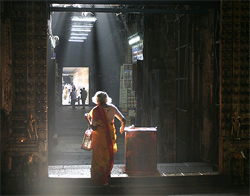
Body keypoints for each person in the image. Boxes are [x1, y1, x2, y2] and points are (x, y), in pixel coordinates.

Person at [85, 91, 126, 188]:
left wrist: (87, 119)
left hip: (99, 136)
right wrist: (122, 128)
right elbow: (123, 119)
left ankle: (99, 177)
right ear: (107, 99)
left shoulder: (96, 110)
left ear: (97, 100)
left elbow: (94, 127)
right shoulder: (112, 108)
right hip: (110, 136)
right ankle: (107, 174)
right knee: (108, 153)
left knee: (99, 156)